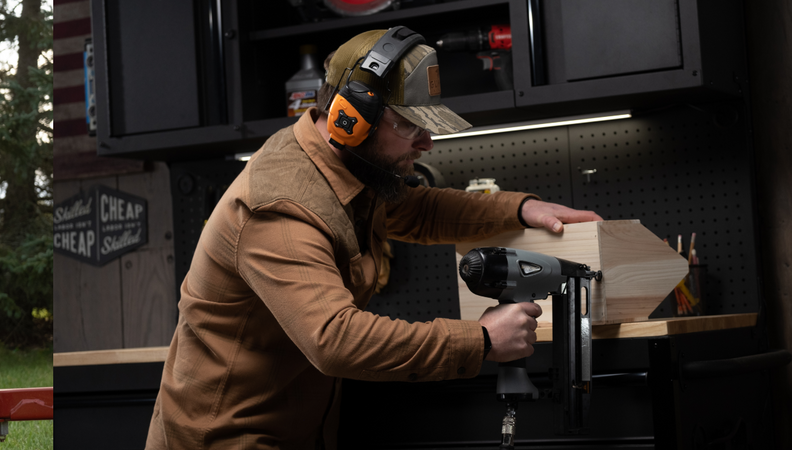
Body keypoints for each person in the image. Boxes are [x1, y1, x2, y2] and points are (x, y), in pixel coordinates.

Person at [145, 27, 604, 448]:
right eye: (409, 125)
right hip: (222, 439)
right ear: (350, 116)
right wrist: (480, 339)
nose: (426, 143)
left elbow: (417, 210)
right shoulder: (282, 205)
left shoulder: (348, 166)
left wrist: (521, 208)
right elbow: (334, 339)